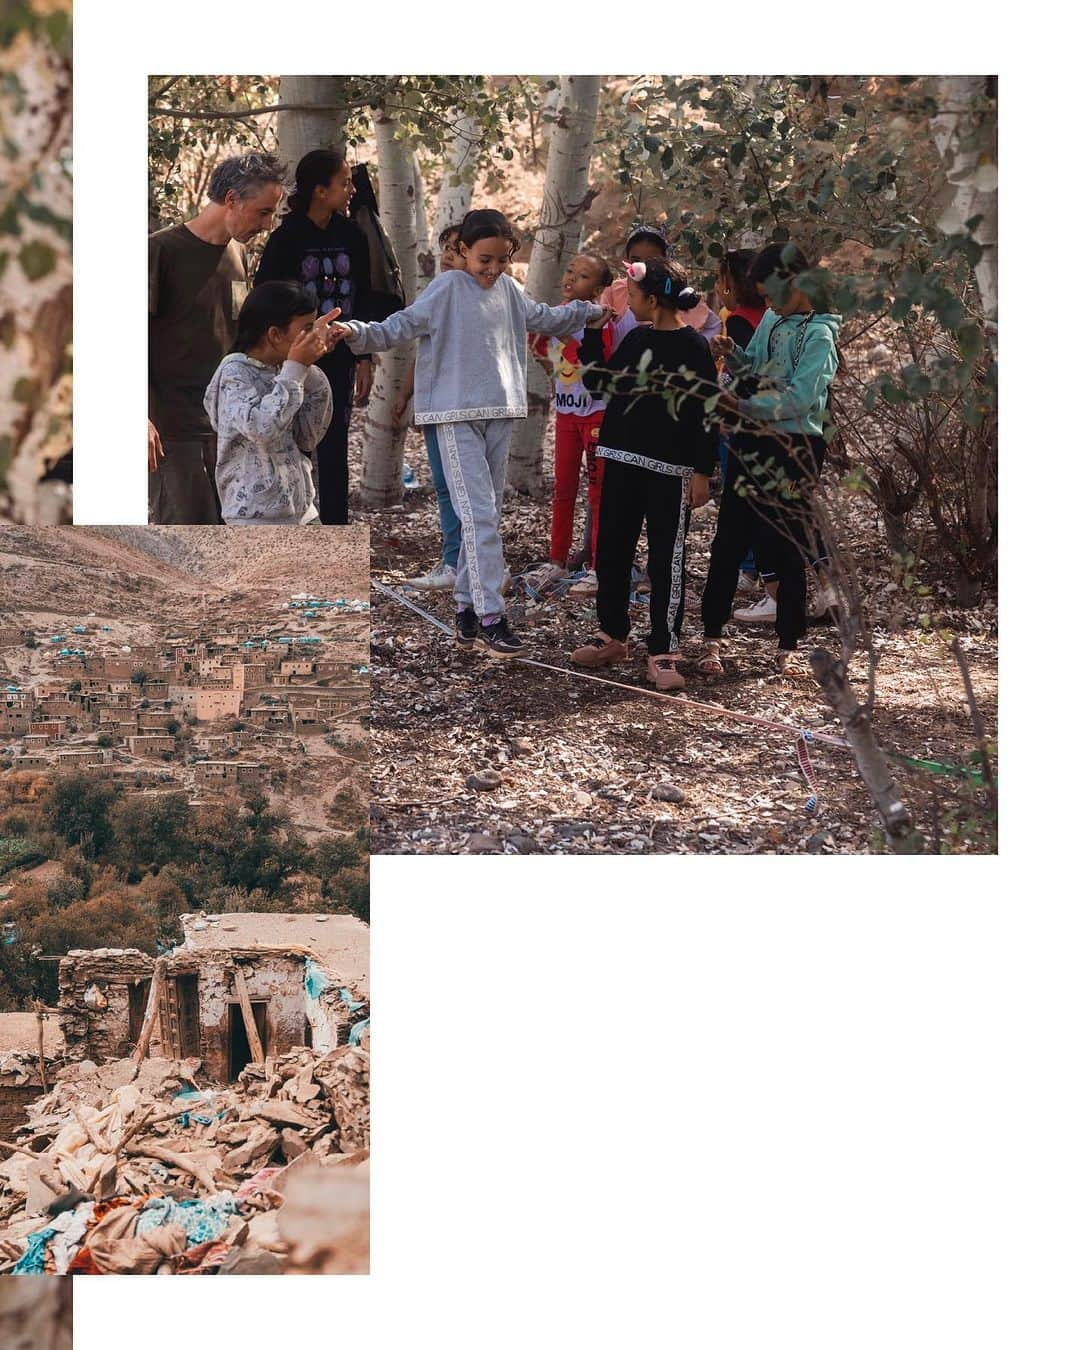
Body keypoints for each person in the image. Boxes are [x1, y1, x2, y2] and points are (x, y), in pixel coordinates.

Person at [336, 208, 604, 658]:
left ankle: (465, 609)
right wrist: (352, 332)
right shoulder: (447, 288)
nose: (493, 269)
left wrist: (594, 310)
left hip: (500, 411)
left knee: (484, 515)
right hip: (454, 414)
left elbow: (546, 317)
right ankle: (491, 617)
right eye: (484, 259)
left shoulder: (510, 292)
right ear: (463, 251)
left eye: (502, 260)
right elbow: (398, 327)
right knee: (479, 516)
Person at [569, 258, 718, 691]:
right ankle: (613, 636)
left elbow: (706, 412)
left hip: (669, 472)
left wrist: (702, 472)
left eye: (631, 296)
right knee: (611, 552)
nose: (625, 302)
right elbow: (601, 385)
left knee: (666, 561)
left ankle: (663, 649)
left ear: (653, 299)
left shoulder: (693, 348)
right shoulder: (635, 338)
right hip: (619, 460)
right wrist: (594, 334)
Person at [699, 242, 840, 674]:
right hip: (752, 439)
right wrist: (733, 357)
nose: (768, 304)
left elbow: (800, 398)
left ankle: (789, 642)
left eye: (772, 294)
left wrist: (741, 408)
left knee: (786, 541)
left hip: (795, 445)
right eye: (762, 297)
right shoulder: (774, 319)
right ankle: (711, 637)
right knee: (730, 535)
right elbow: (756, 368)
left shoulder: (820, 335)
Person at [149, 152, 287, 524]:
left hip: (228, 426)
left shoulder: (237, 253)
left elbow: (236, 336)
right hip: (173, 431)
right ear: (231, 200)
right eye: (263, 212)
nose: (268, 224)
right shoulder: (159, 251)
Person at [254, 149, 375, 525]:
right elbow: (266, 298)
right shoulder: (285, 239)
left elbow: (365, 295)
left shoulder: (353, 235)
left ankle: (336, 528)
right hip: (291, 362)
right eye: (344, 183)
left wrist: (364, 356)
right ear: (320, 191)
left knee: (335, 445)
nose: (351, 189)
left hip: (340, 358)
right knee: (291, 442)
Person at [203, 282, 341, 526]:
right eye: (307, 329)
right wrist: (296, 369)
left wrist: (307, 369)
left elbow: (307, 438)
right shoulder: (234, 374)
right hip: (254, 518)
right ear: (275, 334)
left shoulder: (288, 371)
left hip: (302, 512)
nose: (315, 335)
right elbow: (261, 429)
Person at [525, 252, 615, 596]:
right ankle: (557, 559)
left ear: (599, 288)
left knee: (598, 492)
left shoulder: (600, 319)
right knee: (562, 489)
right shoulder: (555, 316)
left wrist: (566, 340)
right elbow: (543, 353)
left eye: (583, 276)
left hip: (596, 416)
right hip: (566, 415)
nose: (571, 278)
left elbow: (591, 358)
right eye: (570, 270)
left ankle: (597, 566)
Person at [393, 224, 467, 590]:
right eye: (446, 250)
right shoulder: (436, 297)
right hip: (433, 406)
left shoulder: (475, 303)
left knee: (463, 489)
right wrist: (406, 396)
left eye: (456, 250)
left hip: (459, 410)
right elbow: (423, 354)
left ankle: (465, 562)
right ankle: (454, 560)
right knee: (442, 485)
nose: (448, 257)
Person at [713, 248, 768, 599]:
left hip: (741, 419)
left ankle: (748, 569)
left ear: (732, 286)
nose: (718, 288)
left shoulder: (737, 322)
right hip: (769, 416)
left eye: (720, 281)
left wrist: (726, 411)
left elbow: (742, 372)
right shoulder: (774, 317)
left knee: (740, 494)